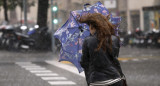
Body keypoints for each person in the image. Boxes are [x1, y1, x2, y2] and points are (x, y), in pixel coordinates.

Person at [78, 13, 127, 86]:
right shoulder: (114, 39)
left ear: (92, 27)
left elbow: (84, 63)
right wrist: (122, 77)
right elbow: (114, 61)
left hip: (97, 81)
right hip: (115, 80)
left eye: (89, 26)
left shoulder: (88, 41)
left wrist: (89, 81)